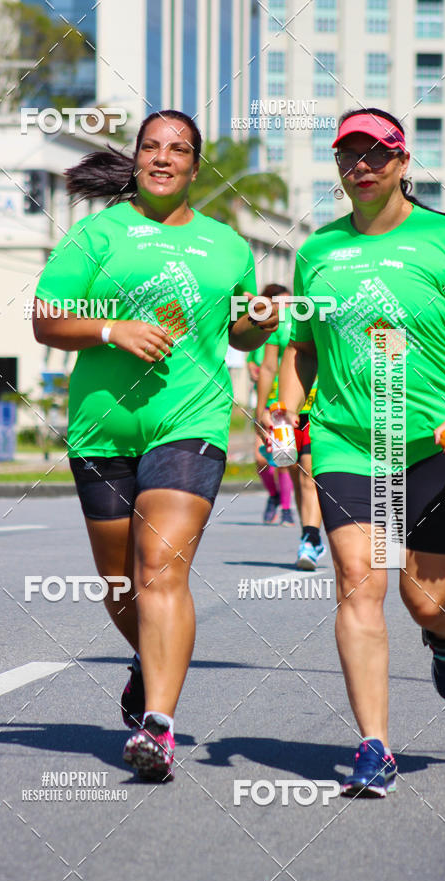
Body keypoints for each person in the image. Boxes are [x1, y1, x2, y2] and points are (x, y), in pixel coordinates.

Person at [32, 109, 277, 782]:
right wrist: (113, 331)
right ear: (137, 158)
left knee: (160, 569)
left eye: (178, 150)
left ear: (196, 167)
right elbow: (46, 320)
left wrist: (257, 324)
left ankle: (158, 726)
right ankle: (149, 657)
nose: (163, 158)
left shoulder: (227, 246)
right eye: (152, 147)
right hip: (101, 427)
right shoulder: (95, 234)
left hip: (189, 422)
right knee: (119, 587)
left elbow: (240, 337)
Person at [278, 107, 445, 797]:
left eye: (374, 154)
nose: (360, 166)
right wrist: (287, 408)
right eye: (347, 155)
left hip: (433, 441)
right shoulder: (317, 252)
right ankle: (375, 746)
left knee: (424, 598)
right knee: (356, 581)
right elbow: (299, 348)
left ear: (401, 162)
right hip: (346, 439)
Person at [256, 300, 326, 568]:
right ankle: (308, 534)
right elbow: (269, 366)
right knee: (295, 474)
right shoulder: (282, 320)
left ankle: (310, 537)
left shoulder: (326, 313)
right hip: (285, 409)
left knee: (310, 475)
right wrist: (261, 409)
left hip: (319, 407)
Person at [250, 283, 296, 525]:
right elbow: (261, 364)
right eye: (282, 301)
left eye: (290, 301)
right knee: (260, 458)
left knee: (283, 456)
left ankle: (287, 509)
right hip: (262, 397)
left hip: (285, 400)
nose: (287, 306)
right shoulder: (261, 328)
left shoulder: (295, 324)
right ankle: (274, 496)